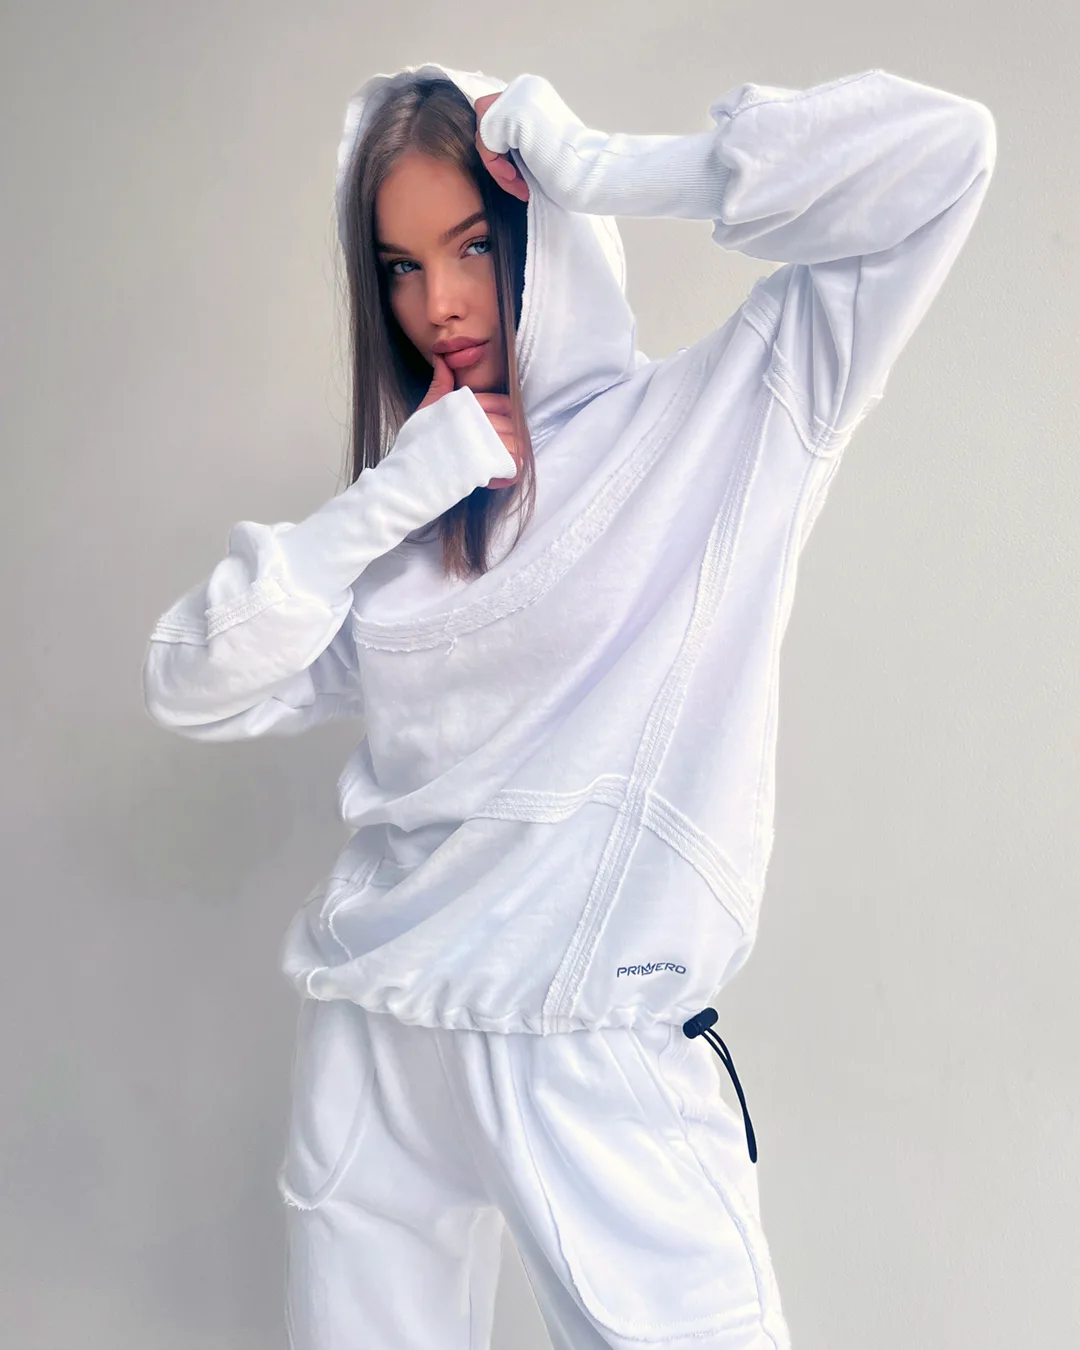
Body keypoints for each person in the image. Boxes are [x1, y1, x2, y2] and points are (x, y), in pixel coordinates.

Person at [142, 60, 996, 1350]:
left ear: (539, 225)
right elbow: (195, 684)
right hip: (378, 1034)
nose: (439, 304)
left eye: (473, 246)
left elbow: (944, 156)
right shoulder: (417, 516)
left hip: (591, 1041)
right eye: (399, 266)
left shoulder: (720, 420)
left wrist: (606, 165)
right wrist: (386, 501)